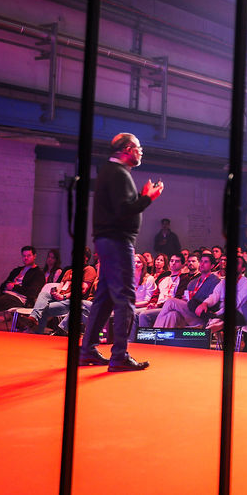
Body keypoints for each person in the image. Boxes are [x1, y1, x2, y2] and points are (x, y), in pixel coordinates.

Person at [80, 133, 163, 372]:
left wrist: (140, 197)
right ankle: (119, 355)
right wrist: (147, 198)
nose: (141, 151)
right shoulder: (119, 173)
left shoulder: (110, 171)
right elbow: (124, 211)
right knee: (126, 296)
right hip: (117, 241)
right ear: (127, 149)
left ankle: (87, 350)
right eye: (138, 147)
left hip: (108, 241)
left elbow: (121, 207)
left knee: (105, 297)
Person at [0, 245, 47, 329]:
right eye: (24, 256)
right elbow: (2, 286)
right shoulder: (17, 271)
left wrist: (14, 287)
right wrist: (8, 286)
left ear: (34, 256)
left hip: (20, 299)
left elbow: (33, 293)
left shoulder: (38, 274)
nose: (26, 258)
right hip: (6, 295)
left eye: (28, 256)